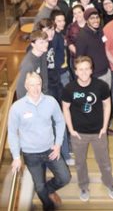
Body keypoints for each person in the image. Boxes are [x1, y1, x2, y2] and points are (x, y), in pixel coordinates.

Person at [9, 72, 71, 211]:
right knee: (39, 185)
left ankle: (48, 190)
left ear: (41, 84)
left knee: (65, 177)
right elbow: (12, 133)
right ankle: (48, 206)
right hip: (31, 154)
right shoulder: (17, 107)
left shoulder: (51, 101)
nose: (36, 88)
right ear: (26, 86)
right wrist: (16, 157)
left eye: (38, 84)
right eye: (32, 85)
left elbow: (60, 122)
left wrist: (58, 145)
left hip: (50, 150)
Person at [62, 56, 113, 202]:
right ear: (75, 71)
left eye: (87, 68)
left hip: (98, 132)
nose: (84, 72)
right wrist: (71, 129)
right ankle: (83, 186)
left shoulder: (101, 86)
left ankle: (109, 184)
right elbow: (65, 108)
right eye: (81, 69)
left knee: (104, 161)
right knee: (80, 163)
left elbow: (107, 105)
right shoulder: (69, 88)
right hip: (78, 134)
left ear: (92, 70)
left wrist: (104, 127)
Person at [75, 8, 111, 88]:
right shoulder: (82, 36)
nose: (96, 20)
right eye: (92, 18)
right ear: (87, 20)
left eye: (97, 17)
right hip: (94, 76)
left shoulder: (101, 31)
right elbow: (79, 58)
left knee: (107, 97)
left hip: (106, 72)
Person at [16, 30, 49, 99]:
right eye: (41, 42)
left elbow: (44, 74)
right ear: (33, 44)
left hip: (41, 94)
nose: (45, 44)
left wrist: (45, 93)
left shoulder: (42, 52)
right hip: (30, 98)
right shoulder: (28, 65)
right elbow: (20, 89)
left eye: (46, 41)